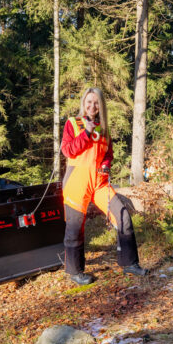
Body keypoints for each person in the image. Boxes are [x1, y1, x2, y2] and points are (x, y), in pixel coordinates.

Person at [60, 87, 148, 285]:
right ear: (83, 103)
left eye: (96, 102)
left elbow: (108, 154)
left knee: (123, 215)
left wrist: (106, 165)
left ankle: (130, 264)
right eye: (89, 102)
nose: (92, 106)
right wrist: (86, 133)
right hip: (77, 182)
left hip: (99, 183)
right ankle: (75, 271)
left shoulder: (104, 128)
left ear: (101, 106)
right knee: (75, 228)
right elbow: (68, 151)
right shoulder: (73, 123)